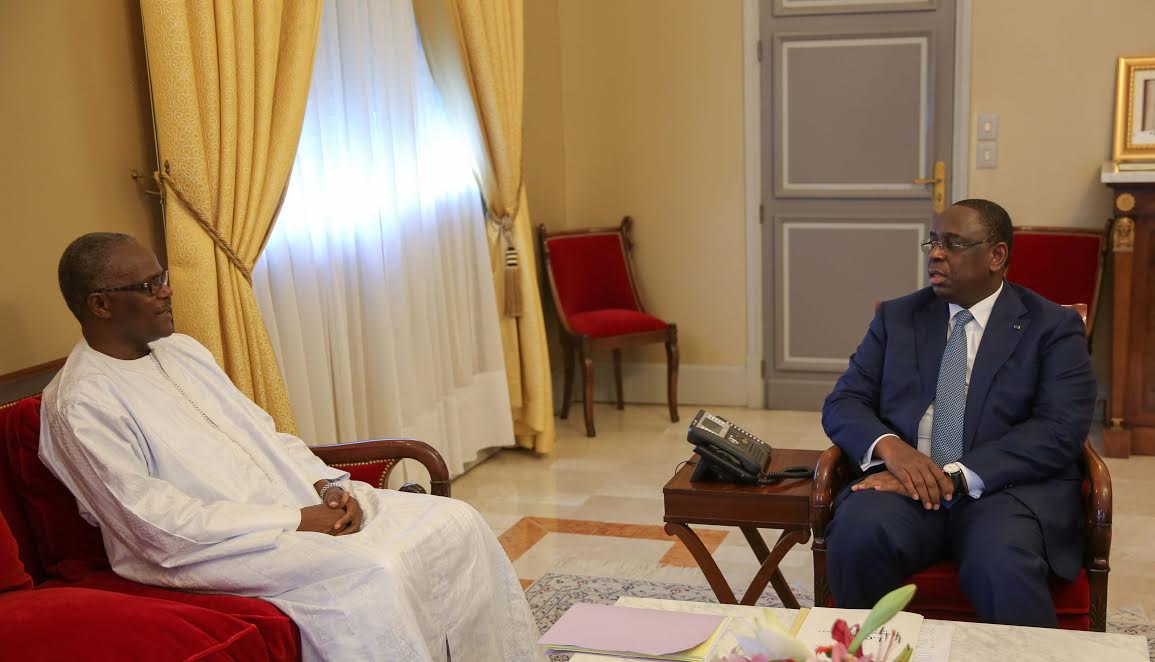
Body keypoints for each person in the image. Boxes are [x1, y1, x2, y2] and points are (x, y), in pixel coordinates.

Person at [39, 233, 540, 661]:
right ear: (100, 305)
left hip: (288, 502)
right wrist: (297, 519)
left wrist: (325, 484)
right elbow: (152, 526)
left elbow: (263, 432)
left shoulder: (182, 351)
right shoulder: (80, 403)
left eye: (162, 276)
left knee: (455, 521)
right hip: (201, 550)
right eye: (148, 286)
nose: (166, 291)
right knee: (373, 569)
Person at [821, 199, 1095, 627]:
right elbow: (844, 401)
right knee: (858, 532)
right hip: (905, 487)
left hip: (1004, 491)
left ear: (996, 255)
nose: (936, 253)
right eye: (933, 241)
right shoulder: (899, 317)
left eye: (953, 243)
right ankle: (867, 654)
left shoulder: (1052, 327)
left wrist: (953, 476)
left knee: (1000, 560)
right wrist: (894, 450)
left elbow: (1059, 430)